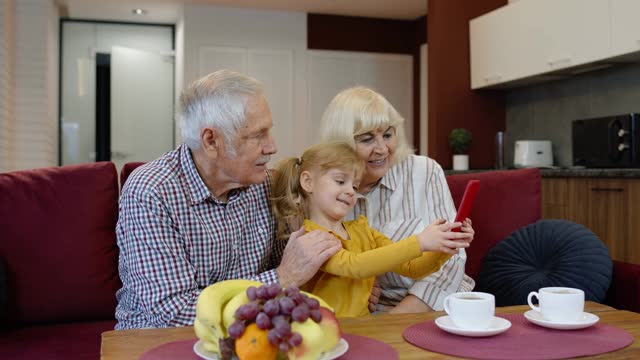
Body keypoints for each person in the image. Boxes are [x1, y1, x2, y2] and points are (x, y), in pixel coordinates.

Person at [114, 70, 342, 330]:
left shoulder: (265, 183)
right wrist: (281, 278)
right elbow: (173, 314)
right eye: (258, 135)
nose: (272, 147)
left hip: (250, 332)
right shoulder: (151, 192)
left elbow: (294, 262)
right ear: (211, 141)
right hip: (164, 340)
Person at [320, 86, 476, 314]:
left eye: (387, 135)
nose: (382, 149)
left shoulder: (425, 171)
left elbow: (450, 265)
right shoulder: (328, 191)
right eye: (367, 139)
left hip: (436, 304)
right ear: (341, 144)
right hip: (367, 314)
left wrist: (393, 321)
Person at [271, 142, 472, 317]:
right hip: (323, 333)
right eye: (340, 181)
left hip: (362, 328)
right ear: (308, 182)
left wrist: (445, 246)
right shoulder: (309, 238)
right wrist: (420, 241)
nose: (350, 191)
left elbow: (412, 268)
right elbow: (355, 266)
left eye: (355, 186)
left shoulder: (363, 230)